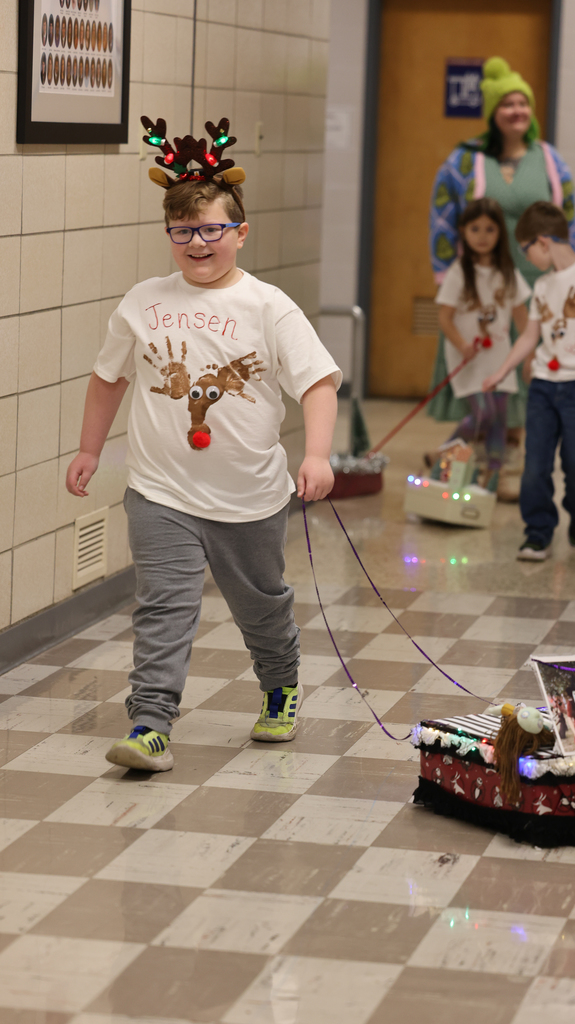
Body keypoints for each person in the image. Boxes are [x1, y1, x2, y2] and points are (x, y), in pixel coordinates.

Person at [65, 115, 341, 772]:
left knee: (260, 603)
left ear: (238, 233)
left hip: (250, 496)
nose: (197, 243)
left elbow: (319, 383)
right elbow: (108, 380)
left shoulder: (269, 306)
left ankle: (279, 687)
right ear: (168, 235)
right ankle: (151, 722)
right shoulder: (141, 301)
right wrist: (89, 449)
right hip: (160, 491)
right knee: (163, 605)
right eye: (183, 231)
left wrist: (317, 454)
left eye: (212, 229)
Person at [428, 56, 575, 496]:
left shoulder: (551, 161)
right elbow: (441, 222)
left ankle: (510, 458)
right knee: (486, 373)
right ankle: (471, 456)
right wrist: (450, 284)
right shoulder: (463, 161)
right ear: (493, 113)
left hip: (541, 283)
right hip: (481, 289)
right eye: (507, 104)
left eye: (523, 103)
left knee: (527, 368)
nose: (517, 111)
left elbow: (570, 222)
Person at [483, 201, 575, 561]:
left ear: (542, 241)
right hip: (544, 385)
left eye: (526, 249)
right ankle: (538, 532)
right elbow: (530, 335)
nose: (527, 258)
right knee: (536, 466)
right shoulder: (543, 287)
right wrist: (502, 371)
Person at [434, 198, 530, 492]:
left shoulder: (508, 273)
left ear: (500, 232)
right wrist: (462, 344)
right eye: (475, 229)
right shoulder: (459, 273)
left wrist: (527, 357)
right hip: (469, 357)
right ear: (463, 231)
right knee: (482, 414)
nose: (483, 236)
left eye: (490, 229)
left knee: (499, 417)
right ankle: (445, 457)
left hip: (499, 356)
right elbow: (445, 318)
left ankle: (494, 478)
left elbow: (523, 321)